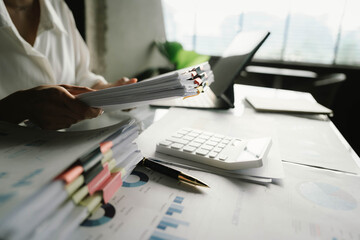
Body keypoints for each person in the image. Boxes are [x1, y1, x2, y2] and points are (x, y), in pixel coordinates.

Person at [0, 0, 137, 130]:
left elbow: (80, 76)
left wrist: (109, 91)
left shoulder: (58, 6)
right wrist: (21, 106)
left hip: (64, 146)